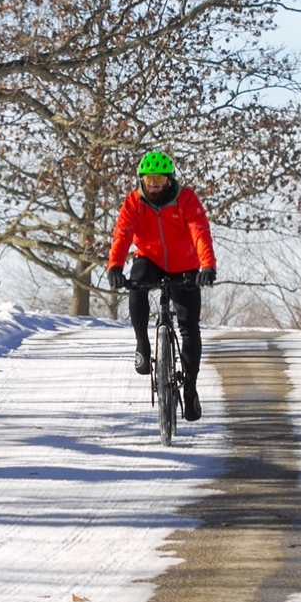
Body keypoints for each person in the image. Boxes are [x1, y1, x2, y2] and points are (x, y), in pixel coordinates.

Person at [105, 150, 217, 422]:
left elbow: (199, 230)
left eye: (159, 177)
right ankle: (143, 345)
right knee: (137, 287)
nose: (153, 182)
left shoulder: (186, 198)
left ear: (169, 180)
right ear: (141, 179)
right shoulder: (133, 201)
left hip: (185, 263)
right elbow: (123, 233)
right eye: (148, 177)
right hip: (149, 259)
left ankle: (190, 389)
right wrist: (115, 267)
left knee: (189, 328)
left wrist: (207, 266)